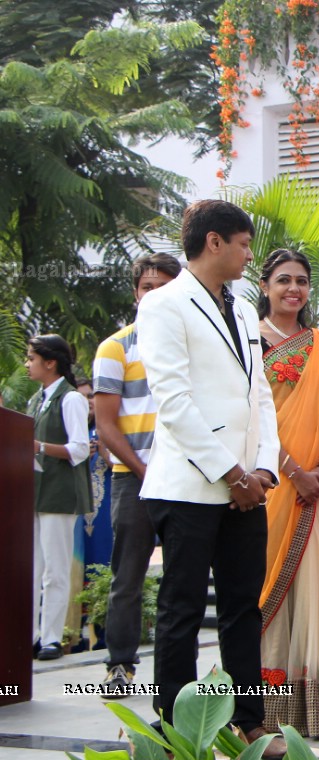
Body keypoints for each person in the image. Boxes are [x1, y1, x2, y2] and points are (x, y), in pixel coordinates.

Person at [136, 199, 284, 759]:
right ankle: (177, 730)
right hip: (191, 485)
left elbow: (259, 395)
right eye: (244, 244)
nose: (250, 255)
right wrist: (231, 473)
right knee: (181, 608)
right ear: (215, 243)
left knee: (245, 605)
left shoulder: (245, 309)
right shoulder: (163, 306)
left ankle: (249, 722)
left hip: (248, 486)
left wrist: (264, 467)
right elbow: (173, 402)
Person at [256, 248, 319, 739]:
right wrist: (294, 472)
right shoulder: (249, 341)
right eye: (282, 280)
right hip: (272, 486)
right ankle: (270, 714)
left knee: (314, 584)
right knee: (271, 587)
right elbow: (250, 420)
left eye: (301, 281)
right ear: (265, 286)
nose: (293, 289)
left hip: (317, 486)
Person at [94, 253, 181, 694]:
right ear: (135, 293)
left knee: (181, 578)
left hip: (186, 477)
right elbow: (106, 426)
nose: (155, 294)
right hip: (135, 477)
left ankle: (179, 679)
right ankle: (120, 666)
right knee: (128, 576)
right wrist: (146, 470)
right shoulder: (116, 347)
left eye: (164, 286)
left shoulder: (190, 343)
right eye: (148, 286)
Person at [27, 334, 93, 661]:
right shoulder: (36, 399)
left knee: (55, 568)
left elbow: (80, 449)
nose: (27, 364)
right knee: (33, 567)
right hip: (36, 492)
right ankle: (32, 634)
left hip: (60, 493)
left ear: (50, 362)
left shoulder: (71, 400)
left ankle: (51, 638)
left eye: (31, 358)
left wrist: (39, 447)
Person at [73, 376, 114, 653]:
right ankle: (75, 636)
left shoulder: (108, 428)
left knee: (104, 565)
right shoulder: (72, 432)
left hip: (106, 514)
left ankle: (105, 633)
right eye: (83, 398)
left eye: (91, 396)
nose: (87, 403)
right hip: (77, 515)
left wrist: (104, 450)